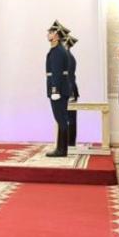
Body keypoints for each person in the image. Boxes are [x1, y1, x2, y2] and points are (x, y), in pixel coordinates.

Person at [45, 21, 71, 157]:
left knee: (61, 119)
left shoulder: (57, 51)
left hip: (58, 90)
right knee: (61, 119)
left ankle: (61, 150)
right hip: (60, 88)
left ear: (56, 35)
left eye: (50, 32)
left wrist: (55, 90)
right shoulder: (58, 50)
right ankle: (61, 149)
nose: (48, 35)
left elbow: (56, 72)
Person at [65, 35, 79, 147]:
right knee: (68, 118)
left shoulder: (68, 57)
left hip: (70, 91)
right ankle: (68, 142)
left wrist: (70, 94)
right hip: (68, 90)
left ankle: (70, 143)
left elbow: (69, 77)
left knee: (70, 118)